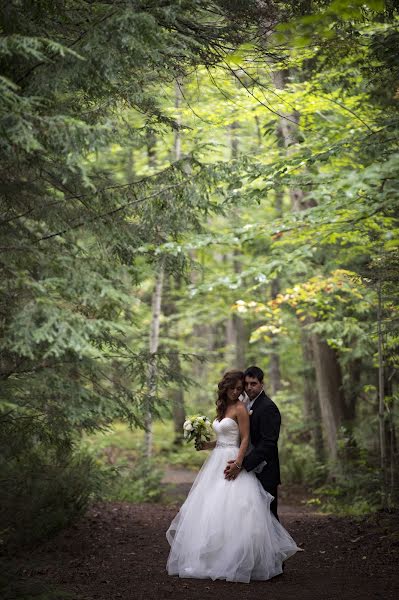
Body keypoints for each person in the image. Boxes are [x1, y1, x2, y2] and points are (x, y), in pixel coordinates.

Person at [166, 369, 299, 583]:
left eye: (247, 385)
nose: (242, 390)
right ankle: (219, 557)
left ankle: (264, 562)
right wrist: (206, 445)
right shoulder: (227, 407)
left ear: (261, 384)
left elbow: (249, 440)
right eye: (239, 386)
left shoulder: (253, 408)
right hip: (219, 460)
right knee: (214, 509)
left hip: (246, 463)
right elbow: (226, 439)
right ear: (226, 387)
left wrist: (239, 463)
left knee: (252, 513)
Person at [224, 366, 281, 520]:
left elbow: (268, 444)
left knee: (268, 518)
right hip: (247, 470)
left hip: (264, 471)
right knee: (250, 517)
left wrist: (241, 464)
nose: (249, 387)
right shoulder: (244, 404)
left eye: (254, 383)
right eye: (247, 384)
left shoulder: (268, 407)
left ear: (262, 384)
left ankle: (276, 545)